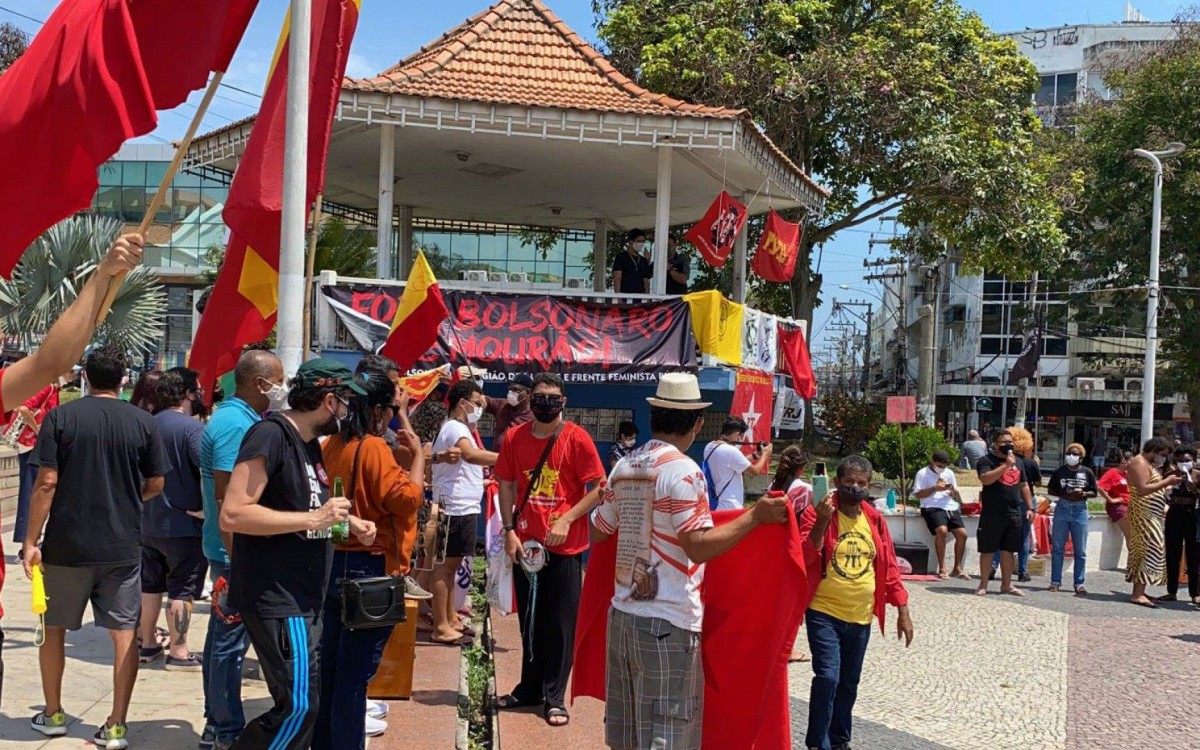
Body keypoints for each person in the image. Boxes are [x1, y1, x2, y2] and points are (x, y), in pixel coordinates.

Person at [591, 372, 791, 748]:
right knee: (668, 733)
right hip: (668, 622)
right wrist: (755, 517)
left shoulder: (625, 466)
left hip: (622, 616)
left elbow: (599, 531)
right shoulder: (683, 472)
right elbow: (696, 546)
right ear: (697, 424)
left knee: (626, 734)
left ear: (653, 418)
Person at [220, 358, 377, 750]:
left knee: (302, 703)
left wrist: (346, 521)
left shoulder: (309, 448)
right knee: (299, 707)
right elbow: (234, 512)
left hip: (303, 595)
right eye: (345, 403)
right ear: (328, 400)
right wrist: (314, 516)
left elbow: (304, 515)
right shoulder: (269, 436)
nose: (346, 413)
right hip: (278, 595)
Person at [23, 345, 169, 750]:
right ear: (123, 379)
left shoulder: (61, 418)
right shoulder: (144, 422)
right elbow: (157, 483)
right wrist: (126, 499)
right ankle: (117, 725)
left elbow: (47, 482)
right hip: (122, 547)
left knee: (52, 629)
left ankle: (52, 714)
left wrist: (31, 541)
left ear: (85, 376)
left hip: (66, 546)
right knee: (124, 634)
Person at [314, 368, 426, 748]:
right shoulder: (373, 447)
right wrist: (419, 459)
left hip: (333, 564)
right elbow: (406, 499)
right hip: (371, 569)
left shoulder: (331, 445)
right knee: (354, 674)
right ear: (379, 410)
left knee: (330, 669)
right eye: (392, 409)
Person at [496, 373, 606, 727]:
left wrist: (567, 520)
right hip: (526, 547)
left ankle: (554, 697)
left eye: (552, 398)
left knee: (560, 626)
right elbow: (508, 486)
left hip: (565, 549)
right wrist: (509, 531)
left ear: (563, 402)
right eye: (539, 397)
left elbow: (598, 488)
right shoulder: (514, 438)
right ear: (531, 399)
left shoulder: (577, 438)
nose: (545, 403)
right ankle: (529, 689)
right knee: (530, 622)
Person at [197, 349, 285, 750]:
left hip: (235, 552)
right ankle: (225, 728)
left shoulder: (243, 419)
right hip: (235, 554)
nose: (282, 388)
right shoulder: (236, 425)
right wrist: (238, 558)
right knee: (229, 645)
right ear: (261, 383)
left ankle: (218, 724)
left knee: (224, 639)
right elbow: (225, 497)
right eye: (278, 381)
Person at [798, 455, 913, 750]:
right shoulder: (818, 513)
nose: (855, 488)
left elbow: (887, 567)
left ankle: (840, 740)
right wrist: (822, 523)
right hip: (823, 611)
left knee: (849, 683)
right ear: (836, 483)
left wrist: (902, 608)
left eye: (862, 483)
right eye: (848, 482)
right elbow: (804, 556)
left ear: (869, 486)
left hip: (861, 617)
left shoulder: (873, 519)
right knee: (828, 677)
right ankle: (817, 743)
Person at [137, 368, 208, 671]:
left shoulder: (143, 425)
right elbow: (207, 470)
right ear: (188, 393)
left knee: (149, 585)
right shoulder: (192, 430)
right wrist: (208, 509)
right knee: (182, 588)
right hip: (183, 524)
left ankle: (147, 642)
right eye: (199, 389)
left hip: (146, 523)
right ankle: (178, 651)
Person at [428, 379, 497, 644]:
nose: (480, 407)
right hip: (454, 507)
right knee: (445, 568)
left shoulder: (459, 427)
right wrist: (509, 457)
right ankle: (441, 626)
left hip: (462, 506)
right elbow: (470, 455)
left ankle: (449, 617)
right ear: (463, 403)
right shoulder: (456, 426)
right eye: (477, 403)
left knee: (452, 566)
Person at [7, 371, 70, 546]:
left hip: (36, 445)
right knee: (29, 491)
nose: (73, 376)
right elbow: (24, 408)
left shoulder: (55, 391)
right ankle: (24, 540)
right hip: (30, 444)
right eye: (71, 372)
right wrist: (38, 431)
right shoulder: (47, 387)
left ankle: (29, 538)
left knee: (32, 490)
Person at [975, 430, 1033, 597]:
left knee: (1008, 550)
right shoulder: (986, 460)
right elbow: (985, 479)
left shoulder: (1019, 462)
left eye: (1010, 441)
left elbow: (1024, 485)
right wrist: (1005, 466)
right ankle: (983, 584)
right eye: (1004, 441)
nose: (1008, 444)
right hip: (992, 513)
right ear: (996, 444)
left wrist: (1030, 507)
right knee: (988, 550)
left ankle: (1006, 585)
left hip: (1014, 513)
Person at [770, 444, 814, 663]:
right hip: (794, 546)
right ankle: (788, 647)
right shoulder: (804, 488)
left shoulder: (774, 484)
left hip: (774, 545)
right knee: (794, 600)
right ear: (801, 467)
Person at [1125, 437, 1179, 609]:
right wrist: (1167, 482)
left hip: (1150, 514)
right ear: (1153, 450)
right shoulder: (1139, 462)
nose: (1162, 458)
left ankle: (1141, 590)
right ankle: (1137, 593)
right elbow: (1142, 489)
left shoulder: (1148, 464)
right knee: (1150, 548)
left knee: (1146, 549)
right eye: (1162, 454)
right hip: (1143, 514)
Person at [990, 426, 1040, 583]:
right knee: (1024, 537)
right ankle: (1023, 571)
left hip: (1009, 500)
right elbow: (1037, 483)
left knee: (1000, 536)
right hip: (1026, 500)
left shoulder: (1003, 461)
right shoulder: (1031, 463)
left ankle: (993, 566)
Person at [1046, 443, 1098, 596]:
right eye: (1069, 453)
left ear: (1081, 457)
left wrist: (1082, 493)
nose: (1071, 456)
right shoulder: (1059, 471)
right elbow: (1050, 489)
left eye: (1075, 454)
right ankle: (1055, 581)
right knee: (1057, 548)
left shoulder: (1087, 472)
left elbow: (1094, 492)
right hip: (1062, 507)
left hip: (1080, 509)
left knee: (1080, 550)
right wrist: (1064, 493)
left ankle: (1079, 583)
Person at [914, 450, 968, 580]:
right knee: (942, 531)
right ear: (933, 461)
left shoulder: (949, 473)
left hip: (949, 506)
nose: (942, 468)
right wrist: (934, 489)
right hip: (931, 506)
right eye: (939, 466)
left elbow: (955, 493)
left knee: (962, 534)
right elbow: (917, 495)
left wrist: (953, 491)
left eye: (944, 466)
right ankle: (942, 567)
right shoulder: (922, 473)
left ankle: (957, 568)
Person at [702, 417, 773, 510]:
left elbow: (732, 463)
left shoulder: (709, 446)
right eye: (741, 437)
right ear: (737, 435)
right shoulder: (731, 451)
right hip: (730, 506)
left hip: (714, 504)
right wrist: (766, 455)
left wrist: (755, 456)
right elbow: (754, 472)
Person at [1162, 446, 1200, 606]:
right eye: (1181, 460)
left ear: (1193, 460)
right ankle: (1172, 591)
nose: (1184, 463)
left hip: (1192, 514)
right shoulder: (1171, 475)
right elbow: (1162, 492)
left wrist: (1194, 488)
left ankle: (1195, 593)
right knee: (1172, 553)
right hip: (1175, 513)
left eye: (1187, 460)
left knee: (1194, 556)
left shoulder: (1197, 475)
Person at [483, 372, 534, 451]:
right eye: (510, 388)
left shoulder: (535, 416)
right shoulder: (502, 405)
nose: (510, 392)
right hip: (497, 460)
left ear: (528, 393)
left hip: (518, 461)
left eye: (515, 389)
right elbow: (481, 400)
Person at [611, 228, 652, 294]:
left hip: (641, 298)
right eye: (638, 241)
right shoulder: (621, 257)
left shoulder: (643, 260)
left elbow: (646, 281)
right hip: (625, 297)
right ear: (631, 241)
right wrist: (618, 297)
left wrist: (647, 297)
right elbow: (617, 278)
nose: (641, 243)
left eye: (643, 241)